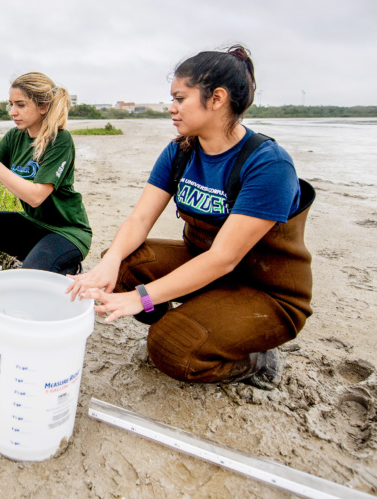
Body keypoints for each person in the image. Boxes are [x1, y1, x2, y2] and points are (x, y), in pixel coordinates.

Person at [67, 45, 314, 390]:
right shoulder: (180, 151)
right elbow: (139, 221)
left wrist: (141, 297)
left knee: (170, 348)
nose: (172, 108)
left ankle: (254, 357)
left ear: (217, 98)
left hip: (265, 292)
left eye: (180, 98)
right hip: (208, 271)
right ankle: (196, 322)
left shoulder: (268, 164)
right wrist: (110, 262)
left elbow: (223, 258)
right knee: (120, 262)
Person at [0, 72, 91, 275]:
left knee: (28, 276)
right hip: (35, 224)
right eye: (11, 104)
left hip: (68, 232)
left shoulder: (60, 140)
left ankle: (62, 263)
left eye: (20, 105)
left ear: (43, 107)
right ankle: (42, 259)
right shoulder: (14, 137)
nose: (12, 112)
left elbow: (36, 197)